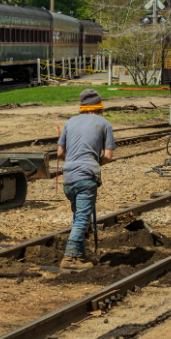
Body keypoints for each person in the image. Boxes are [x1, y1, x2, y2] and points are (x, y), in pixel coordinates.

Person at [57, 88, 116, 270]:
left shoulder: (69, 122)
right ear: (99, 108)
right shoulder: (105, 124)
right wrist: (92, 163)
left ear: (82, 107)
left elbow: (59, 153)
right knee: (82, 220)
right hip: (86, 179)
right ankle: (68, 259)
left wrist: (74, 162)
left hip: (68, 179)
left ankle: (80, 257)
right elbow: (107, 156)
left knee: (78, 218)